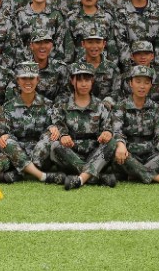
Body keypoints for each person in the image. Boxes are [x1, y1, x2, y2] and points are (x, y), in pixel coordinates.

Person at [0, 61, 66, 185]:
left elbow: (58, 125)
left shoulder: (48, 105)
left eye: (32, 78)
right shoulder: (7, 107)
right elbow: (4, 133)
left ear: (38, 79)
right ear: (17, 80)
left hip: (39, 154)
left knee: (51, 134)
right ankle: (40, 175)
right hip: (16, 153)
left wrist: (54, 127)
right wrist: (3, 137)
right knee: (2, 150)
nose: (28, 82)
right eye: (24, 78)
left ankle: (16, 174)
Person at [49, 62, 117, 190]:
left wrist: (107, 132)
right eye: (79, 80)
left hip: (94, 153)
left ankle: (80, 179)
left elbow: (108, 127)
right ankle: (96, 176)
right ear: (72, 80)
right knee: (55, 146)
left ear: (92, 81)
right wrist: (63, 135)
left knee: (112, 142)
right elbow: (58, 124)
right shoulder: (62, 105)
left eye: (87, 79)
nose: (83, 84)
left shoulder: (101, 106)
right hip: (72, 154)